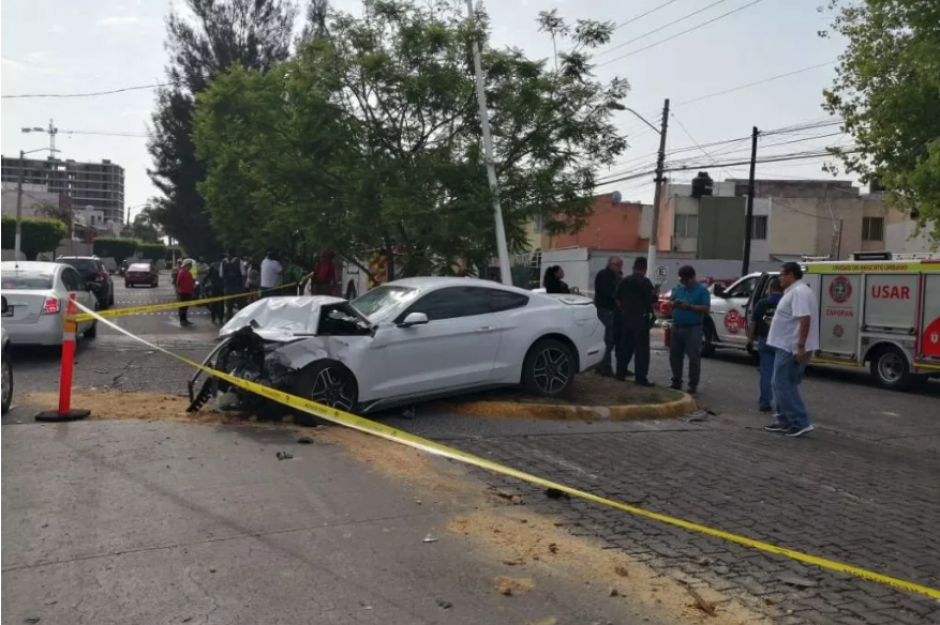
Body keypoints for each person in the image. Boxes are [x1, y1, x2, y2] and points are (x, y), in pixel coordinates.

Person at [764, 262, 819, 437]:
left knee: (783, 385)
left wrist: (800, 346)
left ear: (791, 275)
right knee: (779, 384)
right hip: (785, 345)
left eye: (781, 274)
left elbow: (804, 319)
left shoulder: (799, 292)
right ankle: (784, 420)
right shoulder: (794, 292)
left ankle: (799, 422)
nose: (779, 278)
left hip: (791, 347)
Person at [668, 265, 711, 395]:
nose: (684, 283)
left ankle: (693, 384)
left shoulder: (702, 290)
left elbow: (706, 308)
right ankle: (676, 381)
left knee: (693, 357)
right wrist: (673, 304)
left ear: (693, 278)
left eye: (686, 280)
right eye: (682, 280)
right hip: (677, 325)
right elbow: (670, 302)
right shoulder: (678, 289)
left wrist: (689, 307)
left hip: (693, 327)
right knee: (675, 356)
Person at [614, 257, 657, 386]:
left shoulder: (625, 280)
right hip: (641, 319)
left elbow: (617, 298)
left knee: (625, 347)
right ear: (644, 269)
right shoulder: (645, 282)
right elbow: (651, 300)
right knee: (642, 350)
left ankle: (620, 373)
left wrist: (625, 309)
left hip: (626, 317)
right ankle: (640, 378)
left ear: (633, 268)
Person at [747, 277, 783, 412]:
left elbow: (753, 322)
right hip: (781, 342)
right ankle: (781, 404)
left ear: (771, 288)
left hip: (765, 340)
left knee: (766, 373)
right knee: (780, 374)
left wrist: (749, 340)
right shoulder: (786, 302)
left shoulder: (762, 303)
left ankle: (764, 402)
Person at [593, 256, 623, 377]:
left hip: (611, 310)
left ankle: (602, 365)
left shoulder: (616, 276)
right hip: (605, 309)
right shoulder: (604, 275)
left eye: (620, 265)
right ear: (611, 265)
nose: (619, 268)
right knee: (607, 338)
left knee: (611, 338)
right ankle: (605, 366)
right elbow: (609, 293)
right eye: (617, 265)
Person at [220, 251, 245, 322]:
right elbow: (243, 273)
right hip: (238, 286)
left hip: (227, 286)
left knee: (229, 305)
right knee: (241, 304)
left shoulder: (223, 262)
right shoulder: (239, 261)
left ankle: (229, 321)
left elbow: (221, 275)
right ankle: (242, 320)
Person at [205, 256, 226, 324]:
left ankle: (213, 317)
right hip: (222, 286)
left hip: (214, 286)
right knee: (221, 303)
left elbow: (208, 275)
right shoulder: (224, 265)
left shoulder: (212, 265)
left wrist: (204, 282)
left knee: (213, 302)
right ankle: (220, 318)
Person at [176, 259, 196, 327]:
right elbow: (178, 282)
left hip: (188, 292)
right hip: (183, 292)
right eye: (189, 266)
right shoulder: (181, 272)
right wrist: (178, 291)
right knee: (183, 307)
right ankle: (182, 320)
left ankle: (185, 319)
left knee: (186, 307)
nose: (190, 267)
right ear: (186, 265)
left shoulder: (189, 273)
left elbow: (191, 282)